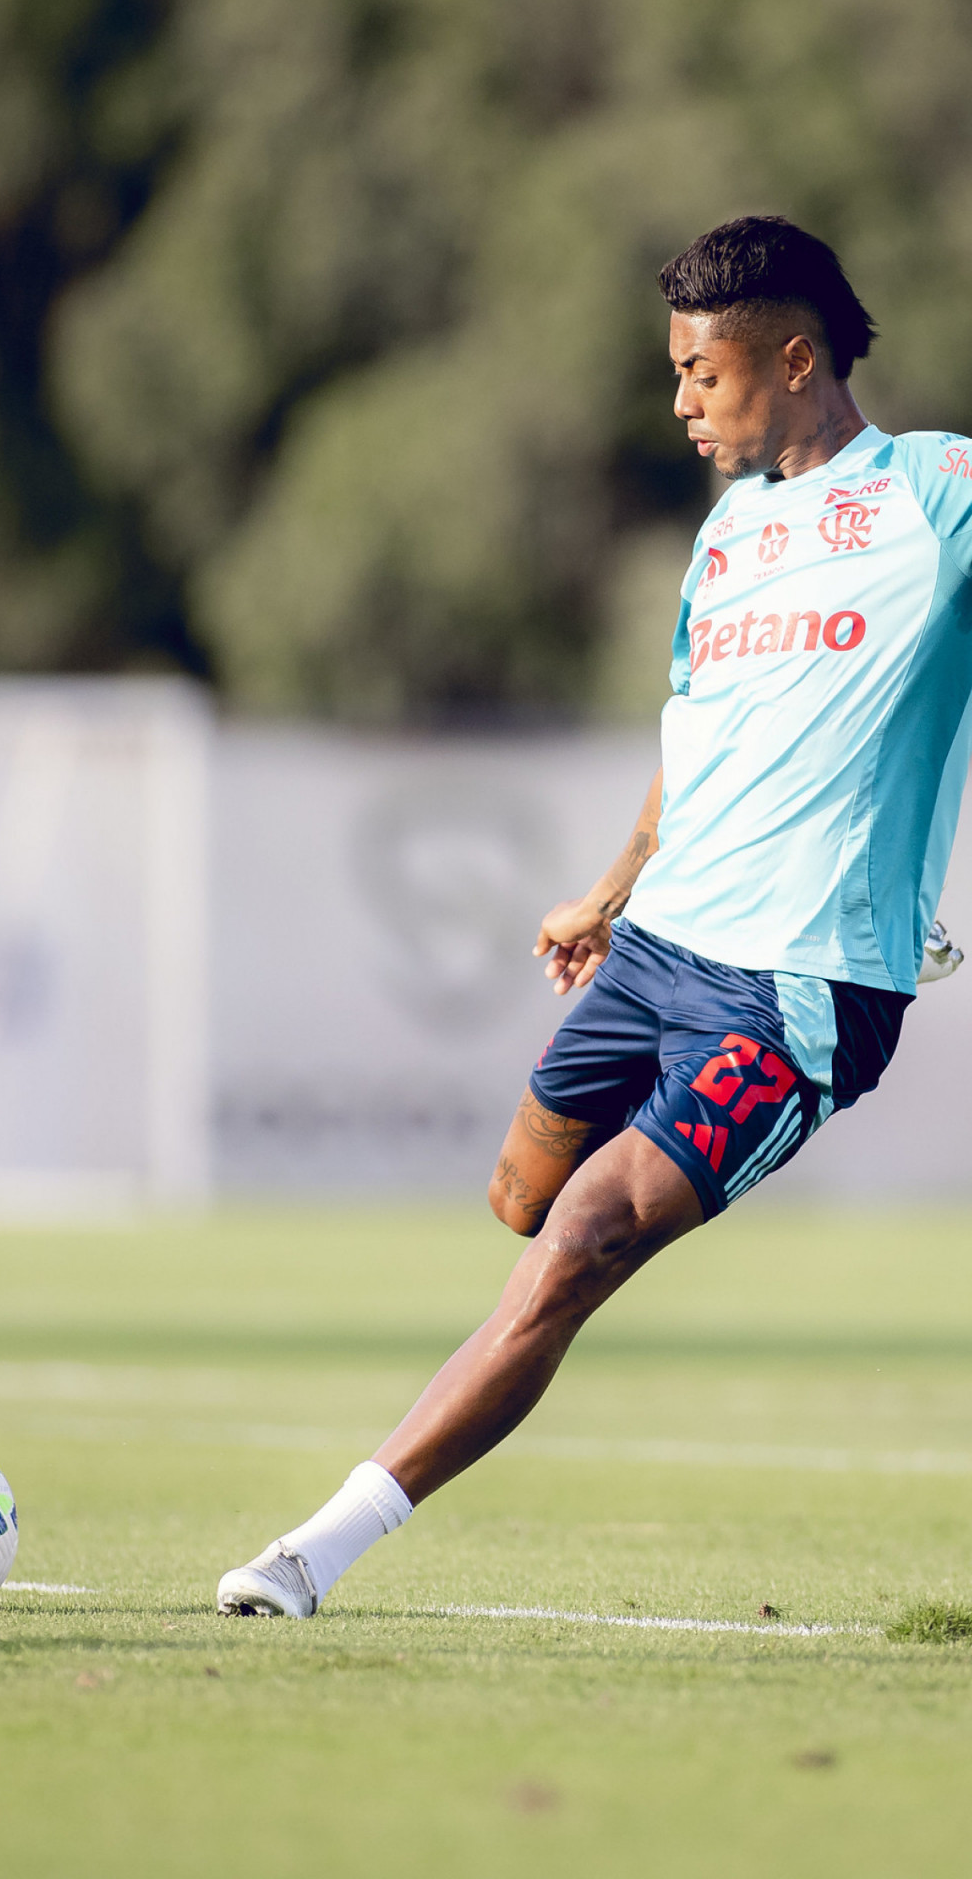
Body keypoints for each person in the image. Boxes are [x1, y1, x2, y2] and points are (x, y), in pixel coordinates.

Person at [217, 214, 972, 1618]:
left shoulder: (939, 499)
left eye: (702, 373)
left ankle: (314, 1551)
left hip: (799, 991)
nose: (680, 402)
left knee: (583, 1239)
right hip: (661, 946)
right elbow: (696, 734)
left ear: (796, 359)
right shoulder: (729, 532)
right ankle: (512, 1327)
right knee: (523, 1197)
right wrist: (610, 894)